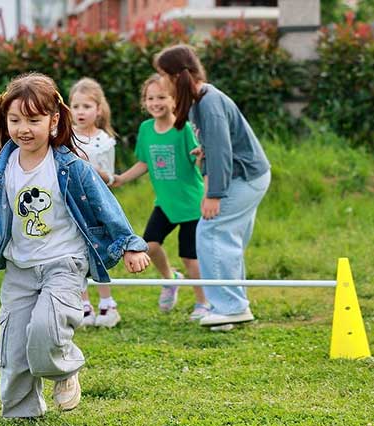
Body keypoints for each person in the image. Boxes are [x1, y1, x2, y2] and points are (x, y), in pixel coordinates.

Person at [0, 73, 150, 418]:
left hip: (64, 264)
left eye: (33, 120)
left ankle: (64, 370)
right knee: (14, 344)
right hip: (20, 268)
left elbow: (105, 205)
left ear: (53, 120)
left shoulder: (69, 166)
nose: (24, 128)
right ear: (4, 121)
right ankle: (23, 412)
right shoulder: (2, 172)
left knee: (46, 329)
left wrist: (129, 244)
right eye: (15, 120)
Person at [153, 44, 271, 328]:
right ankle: (232, 307)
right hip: (248, 175)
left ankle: (229, 307)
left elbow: (221, 153)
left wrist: (213, 195)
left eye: (161, 75)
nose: (160, 81)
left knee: (211, 231)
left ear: (174, 75)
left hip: (244, 177)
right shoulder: (198, 100)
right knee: (226, 238)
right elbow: (215, 146)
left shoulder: (208, 102)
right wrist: (202, 151)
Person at [112, 74, 211, 321]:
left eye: (162, 97)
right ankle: (170, 279)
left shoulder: (184, 128)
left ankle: (203, 303)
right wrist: (121, 178)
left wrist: (201, 157)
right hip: (165, 204)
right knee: (149, 246)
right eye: (150, 98)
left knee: (190, 258)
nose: (156, 103)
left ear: (174, 100)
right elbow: (144, 162)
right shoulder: (146, 129)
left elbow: (198, 162)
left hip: (192, 204)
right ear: (144, 102)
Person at [69, 77, 121, 328]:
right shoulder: (64, 137)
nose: (80, 112)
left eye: (86, 107)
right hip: (71, 207)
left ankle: (107, 304)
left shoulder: (104, 140)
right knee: (75, 255)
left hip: (97, 206)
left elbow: (110, 177)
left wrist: (95, 171)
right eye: (76, 106)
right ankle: (83, 305)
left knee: (98, 254)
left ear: (98, 110)